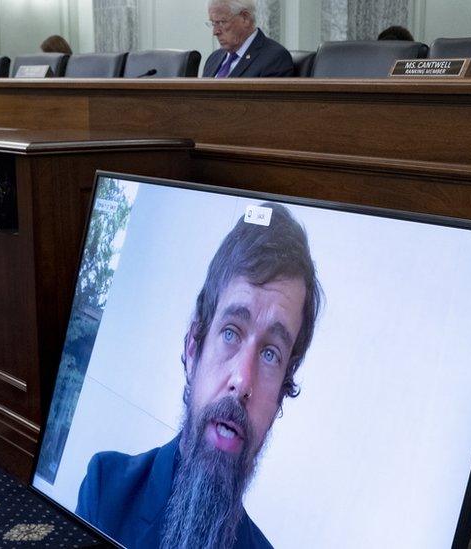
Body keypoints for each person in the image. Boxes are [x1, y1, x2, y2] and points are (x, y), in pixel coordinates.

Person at [76, 202, 323, 549]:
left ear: (281, 397)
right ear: (194, 348)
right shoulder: (107, 491)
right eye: (231, 332)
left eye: (270, 354)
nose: (242, 381)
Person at [202, 0, 293, 78]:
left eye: (221, 22)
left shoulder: (274, 58)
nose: (215, 32)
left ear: (245, 18)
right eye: (213, 23)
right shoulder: (214, 58)